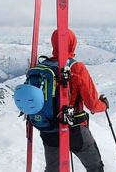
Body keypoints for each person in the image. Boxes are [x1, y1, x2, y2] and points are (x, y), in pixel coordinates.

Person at [41, 29, 108, 172]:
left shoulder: (43, 66)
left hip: (48, 129)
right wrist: (104, 105)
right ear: (72, 43)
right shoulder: (76, 67)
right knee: (95, 167)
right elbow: (93, 104)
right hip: (74, 129)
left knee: (53, 169)